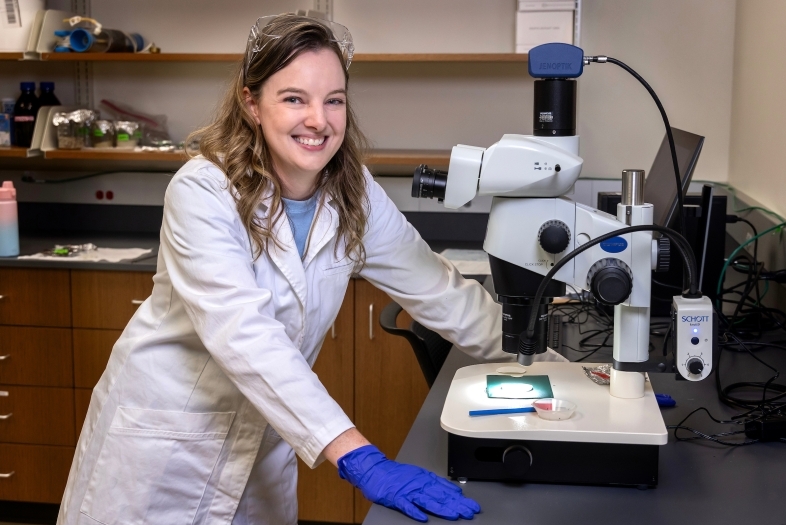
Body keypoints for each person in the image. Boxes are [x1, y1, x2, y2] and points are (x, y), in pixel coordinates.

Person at [57, 14, 564, 525]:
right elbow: (244, 334)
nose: (318, 120)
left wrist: (570, 370)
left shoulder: (354, 191)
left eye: (334, 100)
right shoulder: (203, 191)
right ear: (252, 103)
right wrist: (359, 455)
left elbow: (440, 292)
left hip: (265, 448)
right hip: (167, 449)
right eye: (294, 98)